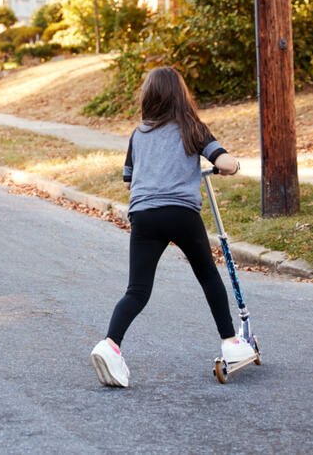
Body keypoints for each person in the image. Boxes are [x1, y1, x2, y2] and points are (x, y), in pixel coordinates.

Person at [90, 67, 253, 388]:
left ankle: (109, 345)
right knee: (207, 275)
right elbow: (223, 162)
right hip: (180, 212)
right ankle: (232, 343)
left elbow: (128, 181)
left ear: (148, 97)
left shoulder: (139, 134)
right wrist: (232, 166)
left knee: (137, 290)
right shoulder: (192, 128)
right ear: (181, 95)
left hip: (144, 216)